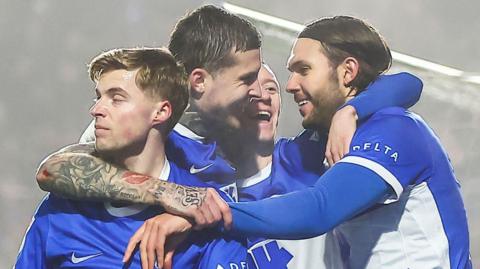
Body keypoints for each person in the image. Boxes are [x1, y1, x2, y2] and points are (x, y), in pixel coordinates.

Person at [33, 5, 425, 269]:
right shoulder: (150, 136)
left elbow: (407, 83)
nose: (261, 91)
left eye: (269, 86)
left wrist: (349, 110)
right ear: (199, 82)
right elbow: (56, 170)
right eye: (247, 80)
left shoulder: (300, 156)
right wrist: (172, 195)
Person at [225, 16, 472, 269]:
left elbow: (319, 210)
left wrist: (215, 212)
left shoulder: (395, 128)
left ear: (348, 71)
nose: (290, 85)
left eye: (304, 70)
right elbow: (409, 83)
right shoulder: (321, 141)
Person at [15, 47, 248, 269]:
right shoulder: (61, 207)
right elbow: (48, 171)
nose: (96, 109)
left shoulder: (204, 210)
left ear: (161, 112)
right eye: (98, 97)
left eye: (116, 99)